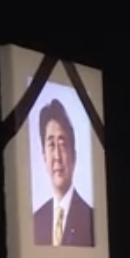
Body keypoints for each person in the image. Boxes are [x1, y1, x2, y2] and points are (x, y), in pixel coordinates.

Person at [32, 99, 95, 247]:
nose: (57, 157)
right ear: (44, 157)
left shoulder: (91, 219)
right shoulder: (35, 221)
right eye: (51, 145)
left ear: (74, 156)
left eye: (62, 144)